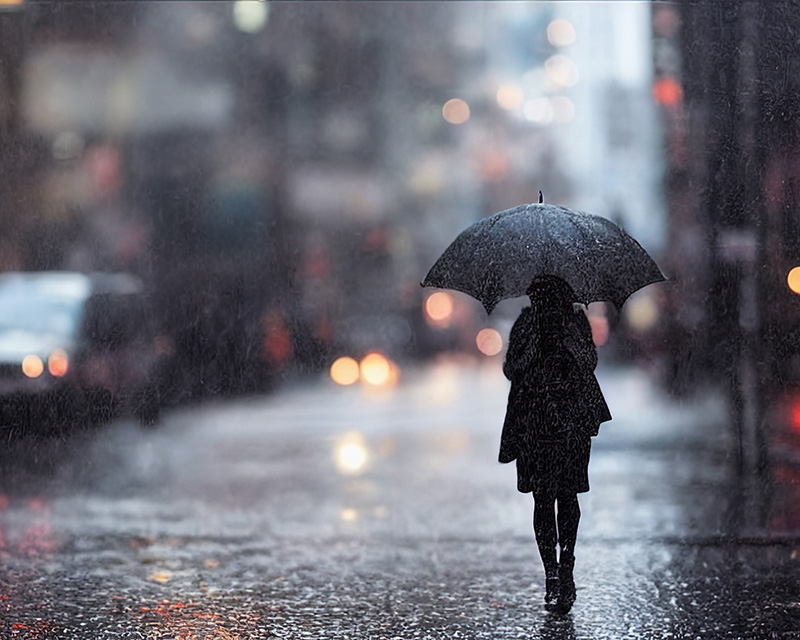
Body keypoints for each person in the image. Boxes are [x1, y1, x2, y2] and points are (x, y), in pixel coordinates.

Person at [499, 275, 611, 614]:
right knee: (543, 498)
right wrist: (532, 352)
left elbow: (589, 362)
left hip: (571, 420)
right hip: (534, 421)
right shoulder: (525, 324)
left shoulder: (575, 323)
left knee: (567, 494)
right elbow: (510, 368)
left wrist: (567, 346)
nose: (545, 301)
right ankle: (552, 573)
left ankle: (566, 568)